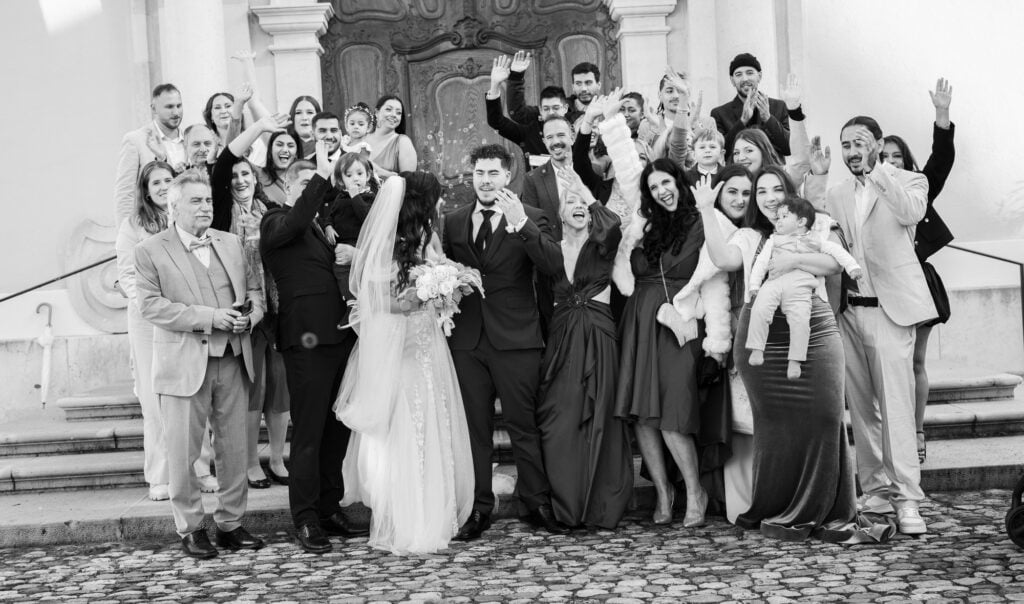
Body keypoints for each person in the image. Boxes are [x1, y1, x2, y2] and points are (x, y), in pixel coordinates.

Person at [694, 166, 893, 544]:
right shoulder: (752, 236)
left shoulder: (816, 228)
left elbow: (834, 264)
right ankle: (777, 502)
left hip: (814, 332)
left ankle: (827, 505)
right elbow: (721, 259)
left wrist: (792, 262)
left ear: (789, 193)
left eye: (776, 190)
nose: (769, 198)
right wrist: (706, 208)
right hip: (764, 343)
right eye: (761, 191)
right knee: (774, 430)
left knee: (824, 418)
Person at [334, 172, 474, 554]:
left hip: (428, 340)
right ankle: (407, 517)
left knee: (433, 418)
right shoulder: (385, 241)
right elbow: (373, 298)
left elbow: (439, 265)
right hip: (401, 344)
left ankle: (435, 512)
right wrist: (411, 301)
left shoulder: (426, 235)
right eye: (435, 200)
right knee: (407, 423)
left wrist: (450, 282)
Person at [133, 169, 266, 559]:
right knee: (183, 450)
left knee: (234, 447)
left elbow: (255, 291)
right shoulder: (151, 250)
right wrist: (210, 317)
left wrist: (251, 316)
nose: (205, 207)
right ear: (173, 207)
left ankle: (230, 523)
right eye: (195, 201)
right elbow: (151, 306)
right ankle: (190, 527)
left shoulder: (231, 243)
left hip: (233, 358)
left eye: (208, 200)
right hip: (184, 363)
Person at [442, 144, 567, 541]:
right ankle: (479, 510)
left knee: (523, 427)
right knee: (475, 431)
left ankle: (537, 503)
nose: (485, 180)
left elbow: (552, 265)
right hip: (467, 342)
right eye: (479, 172)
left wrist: (521, 225)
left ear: (508, 176)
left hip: (517, 340)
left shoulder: (531, 216)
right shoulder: (454, 221)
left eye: (493, 173)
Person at [826, 115, 935, 535]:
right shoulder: (836, 193)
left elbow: (911, 213)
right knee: (863, 411)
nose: (851, 152)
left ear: (876, 143)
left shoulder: (908, 181)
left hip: (891, 312)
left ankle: (908, 499)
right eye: (845, 145)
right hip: (849, 312)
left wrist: (881, 172)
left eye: (859, 143)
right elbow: (817, 225)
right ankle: (875, 495)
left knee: (897, 409)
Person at [259, 142, 369, 554]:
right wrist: (321, 175)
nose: (314, 190)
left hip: (339, 337)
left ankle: (329, 506)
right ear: (288, 186)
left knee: (336, 430)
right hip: (305, 344)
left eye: (316, 184)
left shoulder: (322, 227)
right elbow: (298, 216)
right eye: (305, 183)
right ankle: (304, 519)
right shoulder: (275, 223)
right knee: (307, 434)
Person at [612, 158, 732, 527]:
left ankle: (695, 490)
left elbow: (715, 283)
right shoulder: (643, 226)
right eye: (653, 187)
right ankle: (664, 492)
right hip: (639, 321)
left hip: (680, 321)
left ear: (679, 182)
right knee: (641, 414)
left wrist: (716, 343)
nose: (661, 190)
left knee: (672, 413)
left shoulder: (702, 222)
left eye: (666, 182)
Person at [517, 178, 633, 529]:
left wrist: (587, 192)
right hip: (563, 340)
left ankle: (601, 506)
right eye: (570, 202)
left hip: (599, 337)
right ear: (560, 216)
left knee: (602, 417)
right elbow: (532, 249)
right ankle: (568, 503)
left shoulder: (602, 246)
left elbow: (611, 224)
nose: (578, 206)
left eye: (581, 202)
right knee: (559, 417)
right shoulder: (551, 249)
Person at [211, 114, 292, 491]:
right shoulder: (221, 215)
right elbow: (226, 159)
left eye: (247, 175)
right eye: (235, 177)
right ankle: (248, 462)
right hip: (243, 313)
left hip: (277, 310)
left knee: (280, 388)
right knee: (252, 390)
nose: (241, 181)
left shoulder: (269, 210)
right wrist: (258, 127)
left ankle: (276, 457)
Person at [880, 78, 956, 464]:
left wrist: (941, 116)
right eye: (885, 156)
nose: (891, 162)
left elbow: (939, 163)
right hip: (879, 289)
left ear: (905, 162)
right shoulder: (868, 194)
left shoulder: (918, 188)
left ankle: (917, 430)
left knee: (915, 363)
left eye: (897, 156)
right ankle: (888, 435)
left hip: (918, 285)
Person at [745, 196, 862, 379]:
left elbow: (837, 252)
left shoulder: (815, 240)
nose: (779, 220)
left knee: (800, 320)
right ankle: (757, 348)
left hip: (801, 285)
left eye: (784, 216)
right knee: (760, 309)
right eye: (778, 216)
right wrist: (754, 284)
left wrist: (852, 267)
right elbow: (761, 262)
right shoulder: (774, 240)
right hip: (774, 281)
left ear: (801, 222)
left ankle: (795, 360)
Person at [115, 160, 174, 501]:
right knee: (154, 400)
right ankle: (159, 476)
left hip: (182, 316)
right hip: (146, 319)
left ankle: (197, 468)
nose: (164, 187)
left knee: (191, 395)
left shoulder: (185, 217)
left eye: (168, 180)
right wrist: (153, 307)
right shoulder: (134, 225)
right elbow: (126, 274)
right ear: (146, 190)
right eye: (156, 183)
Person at [113, 83, 185, 224]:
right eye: (169, 107)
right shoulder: (135, 140)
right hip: (151, 227)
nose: (176, 112)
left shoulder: (191, 140)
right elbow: (124, 193)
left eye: (179, 106)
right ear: (153, 108)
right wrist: (126, 235)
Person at [325, 152, 380, 322]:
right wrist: (328, 226)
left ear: (368, 175)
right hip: (343, 243)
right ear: (341, 180)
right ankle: (352, 305)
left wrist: (355, 195)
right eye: (348, 175)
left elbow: (367, 217)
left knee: (363, 275)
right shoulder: (340, 197)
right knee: (340, 270)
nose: (355, 178)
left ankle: (367, 304)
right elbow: (330, 214)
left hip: (361, 243)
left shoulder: (370, 197)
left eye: (359, 173)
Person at [486, 54, 569, 167]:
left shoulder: (578, 130)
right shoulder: (529, 133)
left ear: (565, 108)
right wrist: (495, 85)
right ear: (540, 110)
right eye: (546, 108)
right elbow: (496, 122)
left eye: (555, 108)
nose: (550, 113)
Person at [711, 53, 790, 157]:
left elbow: (788, 148)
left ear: (759, 76)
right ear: (732, 80)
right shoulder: (719, 113)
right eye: (738, 75)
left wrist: (768, 118)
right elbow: (721, 153)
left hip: (771, 171)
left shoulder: (779, 106)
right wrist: (742, 121)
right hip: (738, 171)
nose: (745, 79)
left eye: (749, 73)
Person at [521, 115, 577, 238]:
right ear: (545, 142)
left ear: (572, 137)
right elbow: (532, 227)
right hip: (552, 251)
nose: (556, 142)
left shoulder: (592, 171)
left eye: (561, 135)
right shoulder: (532, 179)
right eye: (550, 137)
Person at [505, 51, 593, 126]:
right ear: (573, 86)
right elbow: (519, 113)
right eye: (579, 83)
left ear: (599, 84)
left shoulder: (605, 109)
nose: (584, 88)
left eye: (588, 83)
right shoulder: (554, 108)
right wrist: (516, 77)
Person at [365, 96, 418, 177]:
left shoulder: (403, 142)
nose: (394, 115)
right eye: (388, 109)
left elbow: (409, 182)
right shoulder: (362, 138)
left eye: (398, 113)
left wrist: (380, 172)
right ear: (376, 112)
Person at [258, 131, 298, 206]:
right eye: (279, 145)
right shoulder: (258, 174)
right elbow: (232, 157)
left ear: (296, 153)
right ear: (270, 150)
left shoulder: (306, 178)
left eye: (290, 146)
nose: (285, 150)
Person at [287, 95, 322, 160]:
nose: (304, 118)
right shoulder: (284, 145)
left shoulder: (328, 145)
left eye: (310, 112)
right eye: (298, 113)